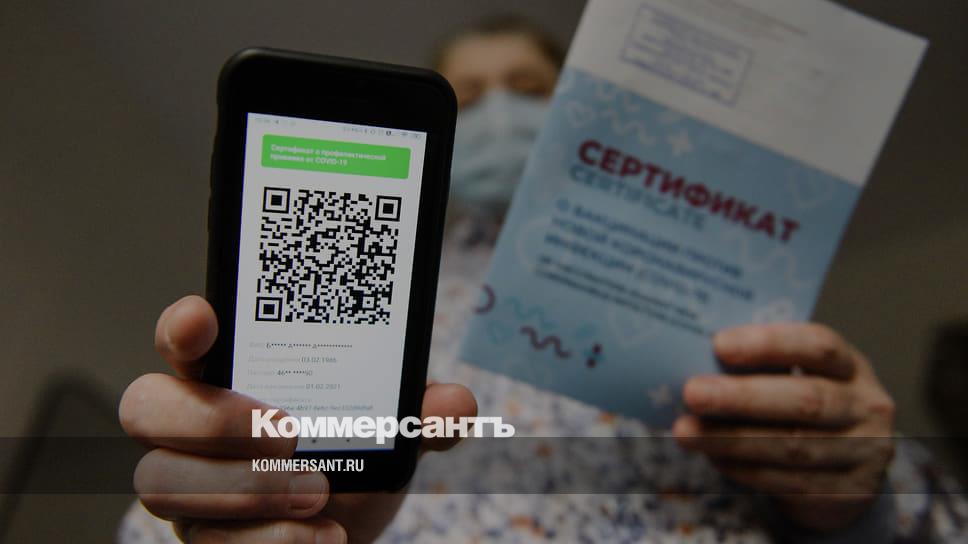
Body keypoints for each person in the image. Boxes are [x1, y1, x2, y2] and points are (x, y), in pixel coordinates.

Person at [118, 15, 967, 543]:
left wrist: (861, 499)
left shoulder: (712, 288)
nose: (500, 112)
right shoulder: (355, 278)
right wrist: (268, 515)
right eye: (467, 96)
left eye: (528, 88)